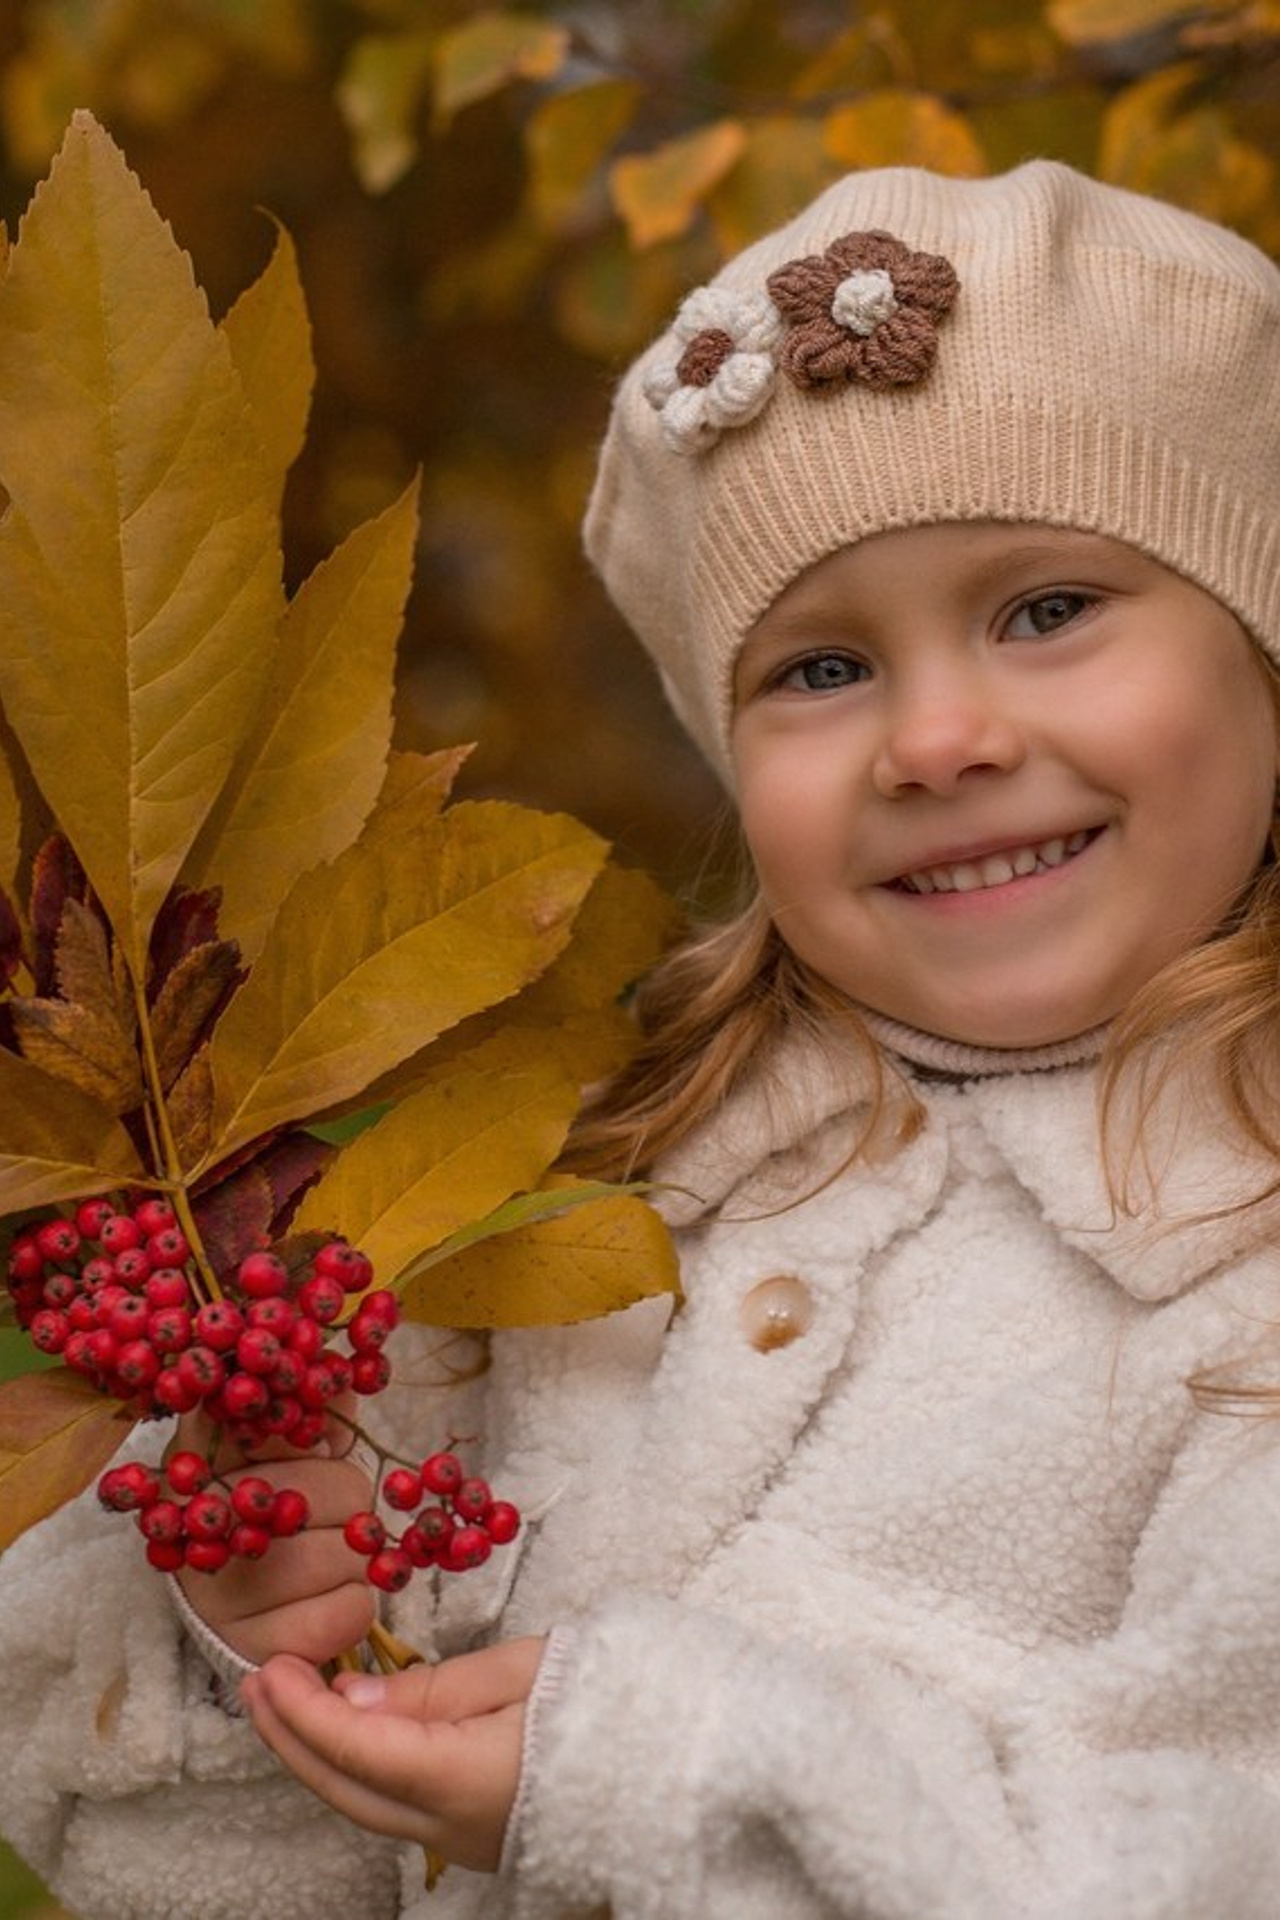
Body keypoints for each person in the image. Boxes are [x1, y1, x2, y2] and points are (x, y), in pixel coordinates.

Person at [5, 157, 1280, 1920]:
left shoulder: (1249, 1293)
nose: (937, 737)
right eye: (820, 670)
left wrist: (664, 1781)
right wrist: (273, 1652)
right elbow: (206, 1881)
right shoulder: (580, 1204)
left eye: (1048, 610)